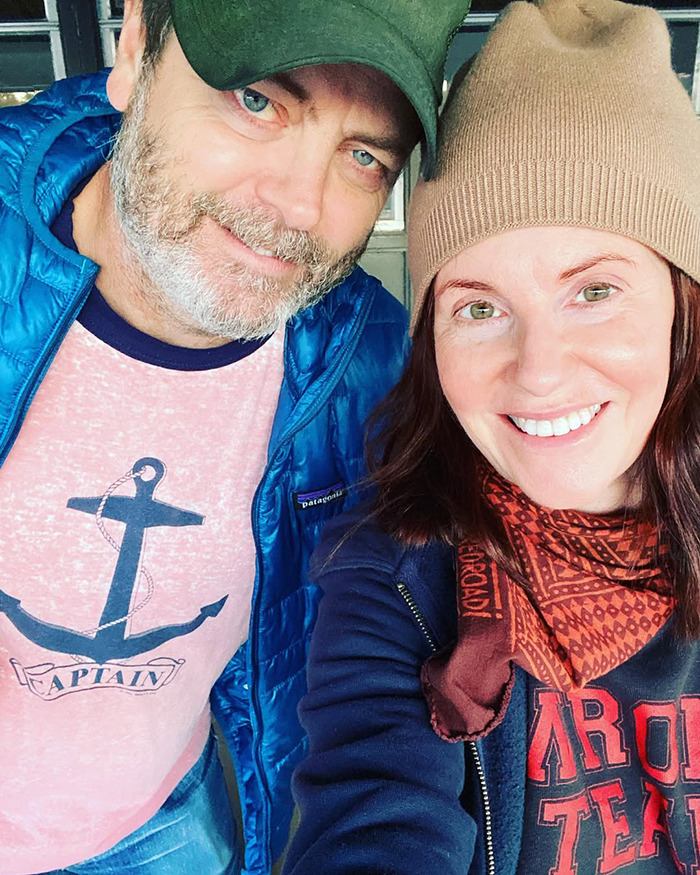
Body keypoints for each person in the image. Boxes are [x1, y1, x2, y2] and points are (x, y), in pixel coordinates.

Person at [0, 0, 470, 872]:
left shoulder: (367, 361)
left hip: (168, 824)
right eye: (257, 101)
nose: (298, 204)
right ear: (137, 45)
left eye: (363, 156)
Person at [284, 0, 700, 872]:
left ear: (682, 308)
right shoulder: (391, 581)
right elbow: (373, 821)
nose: (539, 371)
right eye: (479, 307)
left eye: (594, 291)